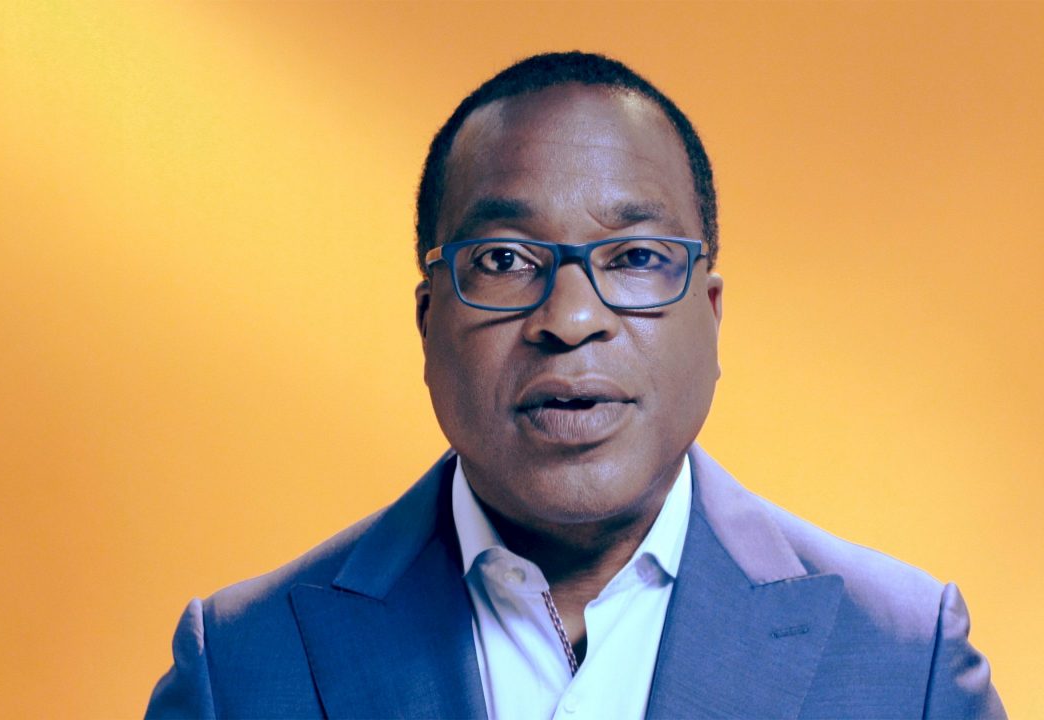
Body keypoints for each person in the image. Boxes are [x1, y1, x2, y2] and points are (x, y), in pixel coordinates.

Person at [146, 51, 1004, 719]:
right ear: (428, 323)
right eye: (504, 259)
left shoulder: (907, 660)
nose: (570, 317)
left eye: (635, 257)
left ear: (710, 315)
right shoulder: (239, 667)